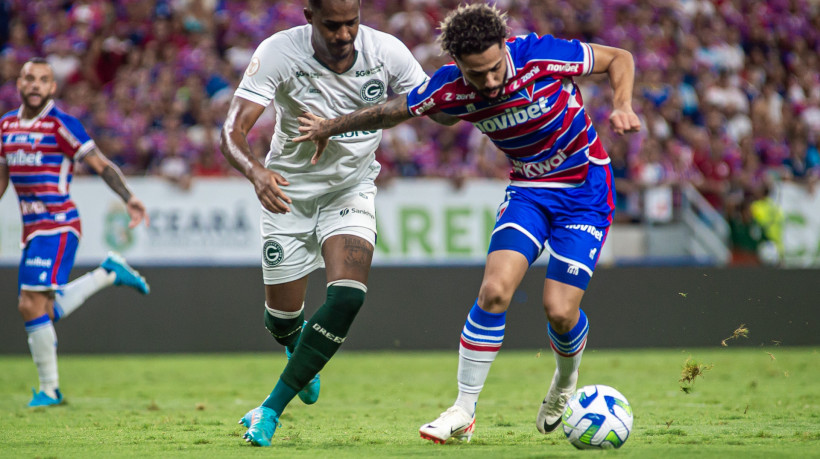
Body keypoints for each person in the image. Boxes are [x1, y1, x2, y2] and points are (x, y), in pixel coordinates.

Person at [295, 3, 641, 443]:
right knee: (494, 292)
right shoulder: (450, 89)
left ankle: (564, 385)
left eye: (496, 68)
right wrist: (331, 125)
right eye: (478, 75)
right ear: (458, 64)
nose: (491, 82)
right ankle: (463, 409)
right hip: (529, 192)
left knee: (559, 310)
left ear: (504, 47)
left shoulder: (538, 54)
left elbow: (619, 58)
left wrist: (623, 106)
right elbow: (390, 112)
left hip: (585, 191)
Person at [218, 0, 451, 447]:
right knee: (282, 319)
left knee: (346, 297)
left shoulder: (387, 52)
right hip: (287, 191)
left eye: (351, 24)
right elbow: (231, 131)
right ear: (309, 17)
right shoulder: (279, 52)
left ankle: (269, 409)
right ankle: (294, 344)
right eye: (332, 25)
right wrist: (257, 173)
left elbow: (436, 108)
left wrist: (459, 94)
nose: (344, 35)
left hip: (351, 188)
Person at [0, 57, 150, 407]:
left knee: (29, 303)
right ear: (18, 84)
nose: (35, 84)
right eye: (29, 78)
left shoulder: (61, 125)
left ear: (52, 87)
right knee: (39, 309)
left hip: (59, 223)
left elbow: (100, 164)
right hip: (33, 228)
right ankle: (108, 273)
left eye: (42, 80)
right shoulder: (5, 126)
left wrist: (129, 198)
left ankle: (50, 390)